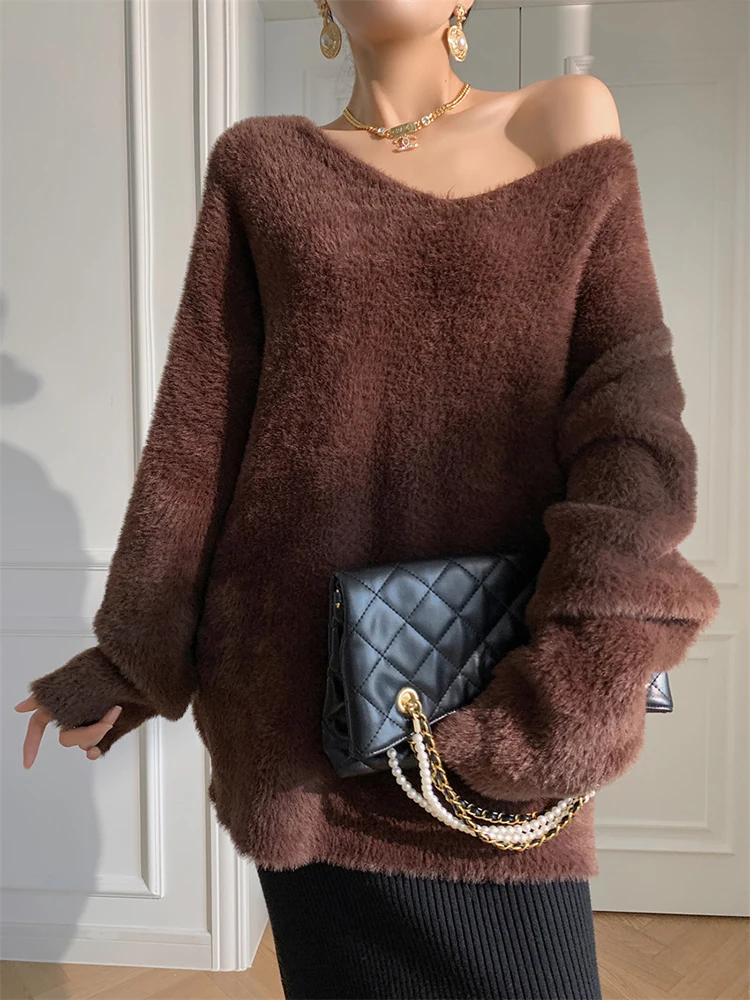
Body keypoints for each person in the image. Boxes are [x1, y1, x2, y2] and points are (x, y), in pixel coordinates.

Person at [16, 2, 720, 997]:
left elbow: (629, 421)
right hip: (297, 717)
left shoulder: (560, 118)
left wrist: (577, 683)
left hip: (500, 701)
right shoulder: (263, 165)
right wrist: (131, 660)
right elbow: (198, 435)